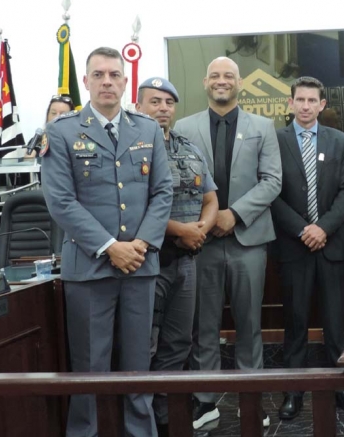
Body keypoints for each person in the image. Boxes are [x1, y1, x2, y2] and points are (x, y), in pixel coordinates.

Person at [40, 47, 172, 437]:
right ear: (86, 82)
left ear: (125, 80)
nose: (107, 82)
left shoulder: (146, 129)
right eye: (98, 75)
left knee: (138, 369)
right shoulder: (61, 132)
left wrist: (141, 244)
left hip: (140, 266)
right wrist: (111, 247)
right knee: (89, 372)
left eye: (114, 75)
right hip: (90, 267)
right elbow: (60, 201)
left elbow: (162, 191)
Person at [174, 56, 282, 429]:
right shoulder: (183, 127)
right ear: (205, 83)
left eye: (229, 76)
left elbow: (272, 180)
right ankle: (205, 402)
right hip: (199, 239)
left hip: (247, 238)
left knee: (249, 322)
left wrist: (232, 214)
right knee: (203, 325)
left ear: (239, 84)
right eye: (216, 76)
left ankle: (251, 397)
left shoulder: (263, 126)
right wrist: (207, 222)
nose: (222, 81)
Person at [135, 77, 219, 437]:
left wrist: (201, 228)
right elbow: (135, 209)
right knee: (145, 345)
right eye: (154, 102)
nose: (163, 108)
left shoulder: (189, 148)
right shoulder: (132, 150)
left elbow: (211, 197)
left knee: (178, 342)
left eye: (168, 102)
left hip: (189, 260)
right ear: (139, 106)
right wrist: (181, 231)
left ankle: (165, 418)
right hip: (151, 261)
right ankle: (140, 421)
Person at [271, 77, 344, 420]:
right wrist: (304, 229)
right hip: (294, 246)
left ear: (322, 105)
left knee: (335, 323)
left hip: (330, 244)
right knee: (295, 322)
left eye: (312, 100)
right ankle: (293, 391)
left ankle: (342, 387)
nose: (305, 106)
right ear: (290, 103)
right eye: (299, 100)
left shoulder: (337, 140)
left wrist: (323, 228)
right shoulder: (275, 140)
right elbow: (271, 192)